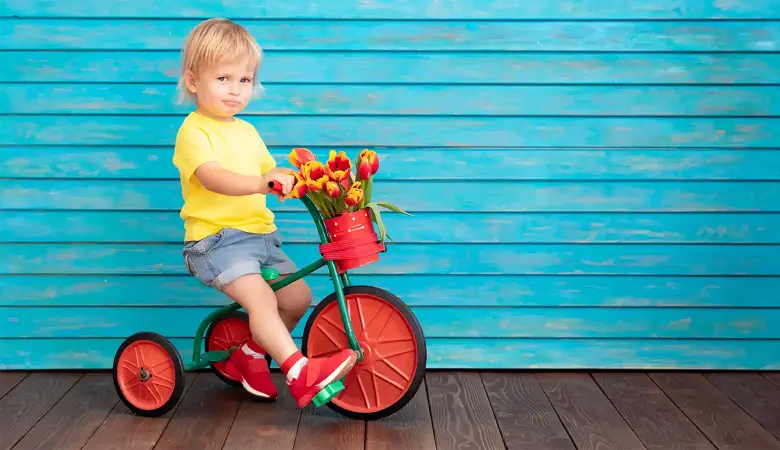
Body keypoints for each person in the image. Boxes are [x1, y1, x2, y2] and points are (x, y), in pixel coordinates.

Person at [172, 18, 357, 408]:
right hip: (216, 241)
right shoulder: (195, 131)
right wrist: (261, 183)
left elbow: (267, 173)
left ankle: (250, 357)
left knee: (297, 297)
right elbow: (213, 177)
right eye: (223, 78)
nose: (235, 90)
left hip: (259, 238)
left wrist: (294, 179)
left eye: (244, 80)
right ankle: (300, 372)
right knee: (261, 300)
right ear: (193, 81)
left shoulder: (247, 131)